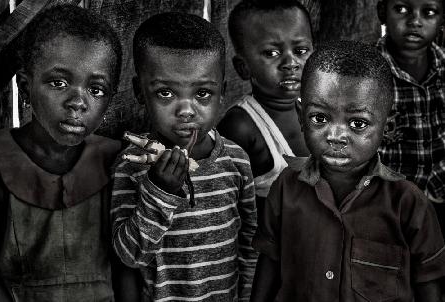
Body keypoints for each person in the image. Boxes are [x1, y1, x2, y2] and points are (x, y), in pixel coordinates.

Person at [251, 41, 445, 302]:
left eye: (358, 123)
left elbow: (429, 286)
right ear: (300, 115)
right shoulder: (286, 187)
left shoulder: (408, 204)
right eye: (319, 118)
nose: (336, 136)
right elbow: (269, 264)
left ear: (387, 127)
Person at [110, 12, 258, 302]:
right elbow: (126, 258)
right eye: (166, 93)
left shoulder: (236, 162)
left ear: (222, 93)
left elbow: (250, 244)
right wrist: (160, 191)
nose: (186, 110)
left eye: (203, 93)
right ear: (140, 92)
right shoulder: (132, 165)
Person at [0, 4, 136, 302]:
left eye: (96, 90)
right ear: (25, 86)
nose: (77, 102)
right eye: (58, 83)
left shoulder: (117, 161)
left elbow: (128, 268)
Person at [217, 0, 314, 218]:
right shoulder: (241, 126)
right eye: (271, 53)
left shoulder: (314, 112)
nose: (291, 63)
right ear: (243, 67)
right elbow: (226, 208)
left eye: (300, 50)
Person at [376, 0, 445, 227]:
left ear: (442, 18)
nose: (415, 21)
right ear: (382, 12)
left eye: (429, 12)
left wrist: (434, 192)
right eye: (402, 9)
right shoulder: (366, 75)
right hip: (388, 209)